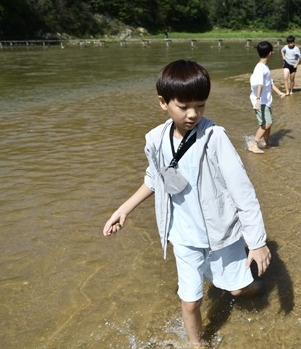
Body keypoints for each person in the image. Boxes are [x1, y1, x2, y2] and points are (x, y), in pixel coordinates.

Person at [103, 59, 272, 347]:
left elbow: (243, 191)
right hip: (183, 237)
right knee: (190, 301)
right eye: (183, 106)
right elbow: (154, 178)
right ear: (163, 102)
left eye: (201, 105)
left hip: (220, 235)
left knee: (237, 291)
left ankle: (250, 286)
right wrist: (124, 209)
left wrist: (257, 241)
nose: (193, 114)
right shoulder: (156, 139)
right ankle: (197, 344)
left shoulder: (215, 137)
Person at [249, 41, 286, 153]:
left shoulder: (265, 66)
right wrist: (258, 100)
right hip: (261, 100)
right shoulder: (260, 68)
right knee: (266, 123)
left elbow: (269, 83)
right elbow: (259, 83)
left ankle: (265, 143)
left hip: (266, 100)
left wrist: (279, 92)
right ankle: (254, 144)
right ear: (270, 53)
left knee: (269, 124)